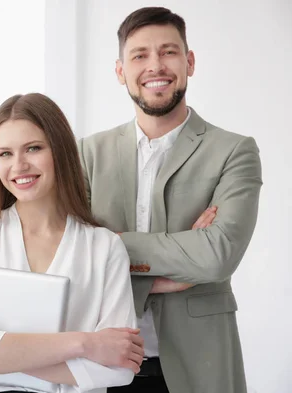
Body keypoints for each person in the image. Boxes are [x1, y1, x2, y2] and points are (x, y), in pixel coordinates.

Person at [78, 7, 262, 393]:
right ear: (120, 71)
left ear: (189, 62)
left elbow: (218, 255)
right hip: (103, 365)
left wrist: (110, 244)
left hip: (202, 367)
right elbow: (73, 263)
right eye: (139, 55)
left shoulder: (234, 151)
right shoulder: (87, 154)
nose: (155, 66)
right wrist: (171, 277)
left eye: (168, 52)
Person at [0, 93, 144, 393]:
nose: (19, 165)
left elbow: (119, 367)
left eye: (33, 148)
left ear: (60, 151)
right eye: (5, 154)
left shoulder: (104, 248)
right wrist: (86, 343)